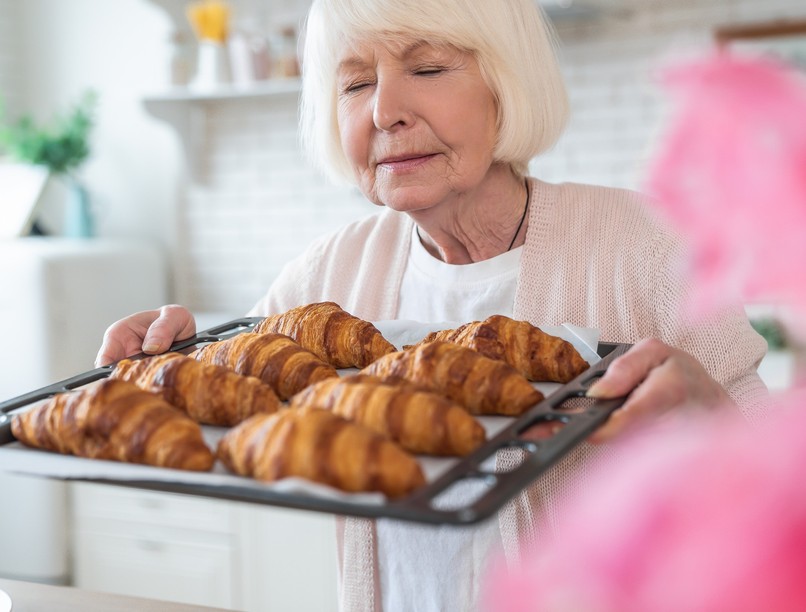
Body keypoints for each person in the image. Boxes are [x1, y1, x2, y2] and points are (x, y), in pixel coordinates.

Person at [96, 0, 768, 610]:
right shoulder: (329, 275)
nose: (385, 109)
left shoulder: (645, 244)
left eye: (428, 67)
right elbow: (228, 386)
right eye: (356, 82)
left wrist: (708, 408)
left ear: (506, 86)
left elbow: (776, 481)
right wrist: (172, 349)